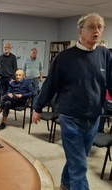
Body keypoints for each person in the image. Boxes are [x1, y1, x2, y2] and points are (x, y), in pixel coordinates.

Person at [32, 13, 112, 190]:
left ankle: (65, 184)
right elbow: (50, 84)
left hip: (94, 118)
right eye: (92, 27)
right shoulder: (64, 57)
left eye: (100, 27)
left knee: (78, 157)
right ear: (80, 31)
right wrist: (38, 108)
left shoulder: (105, 55)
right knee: (80, 165)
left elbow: (110, 83)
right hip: (70, 118)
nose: (97, 31)